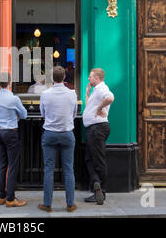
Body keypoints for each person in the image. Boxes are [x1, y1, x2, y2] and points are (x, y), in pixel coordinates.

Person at [38, 66, 78, 213]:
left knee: (48, 169)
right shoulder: (72, 94)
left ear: (52, 78)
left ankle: (47, 204)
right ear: (64, 77)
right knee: (69, 169)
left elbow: (43, 113)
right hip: (67, 133)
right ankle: (70, 204)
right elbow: (74, 113)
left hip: (50, 133)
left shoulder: (45, 94)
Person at [0, 72, 28, 207]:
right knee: (13, 166)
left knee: (2, 164)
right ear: (9, 83)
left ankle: (1, 196)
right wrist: (16, 116)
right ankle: (10, 198)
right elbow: (24, 115)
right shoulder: (14, 98)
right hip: (11, 132)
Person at [82, 68, 114, 205]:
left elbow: (110, 98)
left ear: (97, 78)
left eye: (90, 77)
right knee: (90, 159)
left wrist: (100, 108)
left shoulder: (102, 88)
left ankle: (102, 190)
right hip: (93, 129)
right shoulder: (96, 90)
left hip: (97, 129)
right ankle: (97, 187)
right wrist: (87, 93)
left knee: (98, 160)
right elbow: (89, 106)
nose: (88, 79)